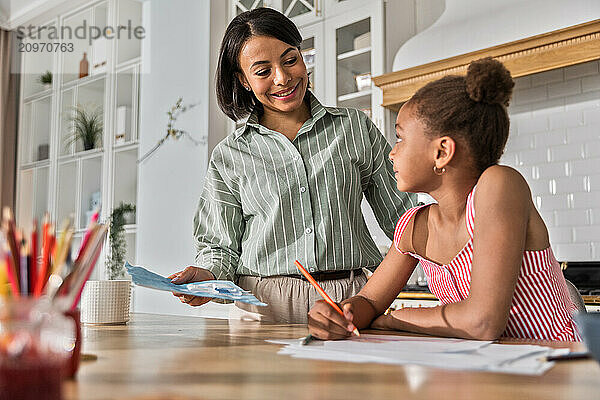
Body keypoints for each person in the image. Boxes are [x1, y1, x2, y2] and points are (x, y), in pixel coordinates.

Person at [168, 8, 417, 323]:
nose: (283, 78)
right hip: (261, 305)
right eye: (262, 71)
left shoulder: (354, 128)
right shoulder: (230, 155)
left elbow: (404, 219)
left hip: (351, 299)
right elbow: (220, 246)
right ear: (243, 80)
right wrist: (206, 276)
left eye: (290, 60)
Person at [308, 57, 581, 341]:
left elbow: (483, 323)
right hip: (492, 371)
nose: (392, 152)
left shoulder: (500, 185)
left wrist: (393, 319)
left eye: (400, 138)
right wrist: (341, 314)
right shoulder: (413, 225)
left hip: (556, 365)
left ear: (442, 152)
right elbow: (370, 302)